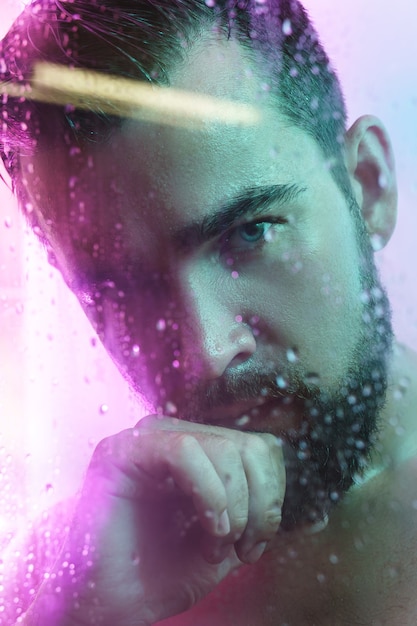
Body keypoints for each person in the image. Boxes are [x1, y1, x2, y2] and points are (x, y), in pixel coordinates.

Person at [1, 0, 417, 624]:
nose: (206, 349)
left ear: (368, 183)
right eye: (122, 289)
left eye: (249, 234)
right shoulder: (61, 572)